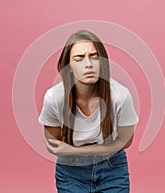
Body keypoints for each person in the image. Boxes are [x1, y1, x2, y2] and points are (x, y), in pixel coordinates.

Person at [38, 30, 139, 193]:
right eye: (79, 59)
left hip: (112, 169)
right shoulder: (54, 97)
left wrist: (74, 149)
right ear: (68, 67)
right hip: (71, 171)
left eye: (94, 56)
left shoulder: (120, 96)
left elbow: (125, 142)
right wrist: (73, 153)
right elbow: (55, 145)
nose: (88, 64)